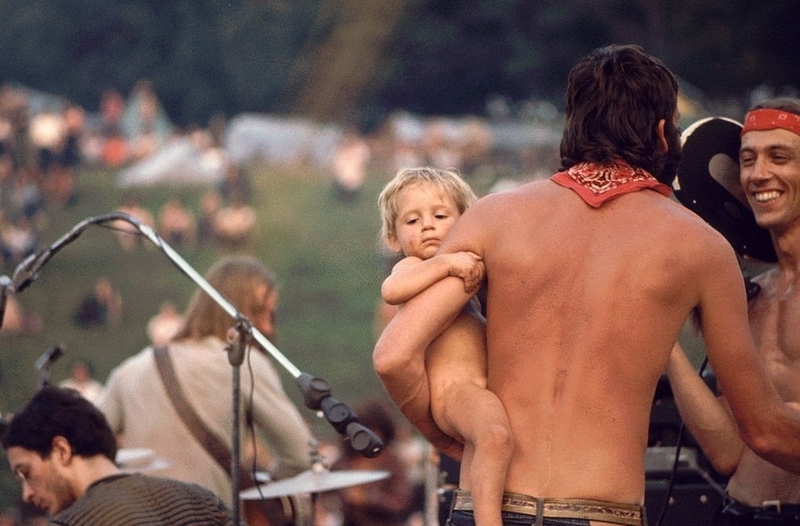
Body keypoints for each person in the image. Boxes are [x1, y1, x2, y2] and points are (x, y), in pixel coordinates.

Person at [373, 44, 800, 526]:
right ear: (663, 134)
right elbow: (762, 432)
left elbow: (394, 356)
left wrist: (445, 438)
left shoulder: (492, 217)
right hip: (601, 513)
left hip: (484, 509)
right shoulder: (701, 247)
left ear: (573, 126)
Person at [666, 97, 800, 525]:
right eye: (747, 160)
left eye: (779, 157)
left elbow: (772, 434)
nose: (758, 175)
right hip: (737, 511)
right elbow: (727, 452)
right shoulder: (749, 297)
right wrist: (665, 339)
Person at [99, 255, 314, 510]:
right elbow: (301, 455)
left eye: (272, 315)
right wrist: (261, 497)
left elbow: (85, 451)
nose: (267, 327)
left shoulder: (128, 371)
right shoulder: (244, 363)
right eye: (258, 312)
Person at [377, 166, 510, 526]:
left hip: (480, 388)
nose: (427, 226)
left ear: (467, 219)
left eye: (440, 215)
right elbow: (392, 290)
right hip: (453, 391)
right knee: (494, 436)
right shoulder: (412, 266)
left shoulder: (463, 273)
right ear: (393, 237)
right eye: (412, 220)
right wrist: (447, 263)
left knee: (483, 450)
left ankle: (470, 510)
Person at [0, 386, 241, 525]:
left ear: (61, 451)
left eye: (26, 472)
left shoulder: (71, 524)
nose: (27, 494)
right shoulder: (202, 501)